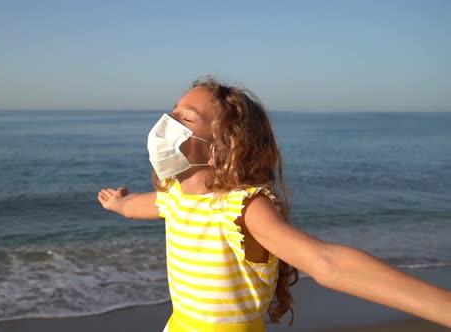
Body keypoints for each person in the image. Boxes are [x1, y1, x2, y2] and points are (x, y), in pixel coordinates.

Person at [97, 78, 451, 332]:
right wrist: (119, 202)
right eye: (172, 113)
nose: (167, 124)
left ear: (223, 146)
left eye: (185, 118)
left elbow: (326, 262)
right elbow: (139, 206)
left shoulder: (241, 207)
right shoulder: (175, 197)